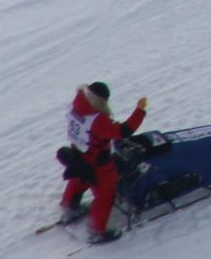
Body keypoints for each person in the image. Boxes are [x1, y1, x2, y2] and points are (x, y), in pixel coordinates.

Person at [60, 82, 148, 243]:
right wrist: (140, 111)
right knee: (105, 194)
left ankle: (70, 206)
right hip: (97, 160)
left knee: (79, 177)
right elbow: (123, 131)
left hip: (78, 152)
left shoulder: (79, 102)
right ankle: (96, 230)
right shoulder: (98, 120)